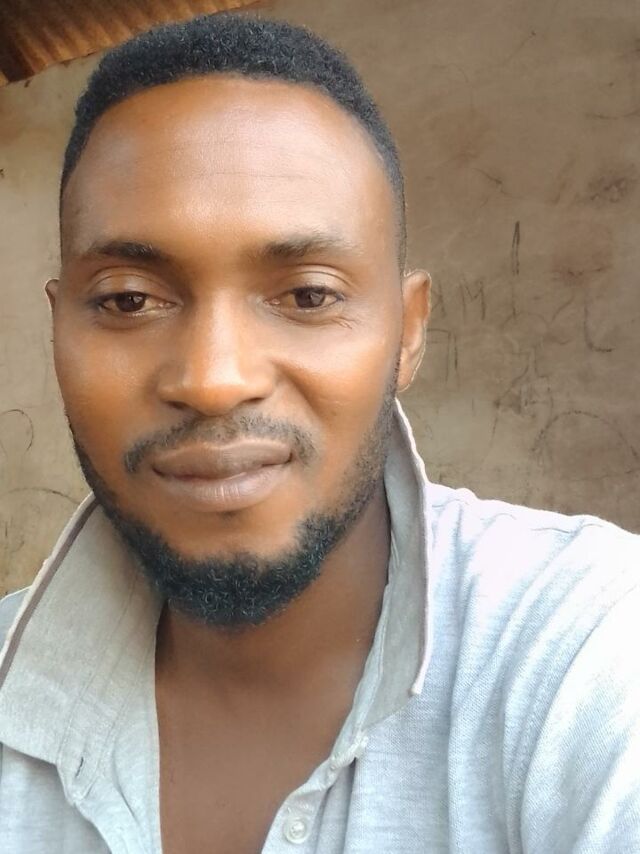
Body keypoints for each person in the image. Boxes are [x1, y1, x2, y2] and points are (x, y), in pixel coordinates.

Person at [0, 11, 638, 854]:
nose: (215, 378)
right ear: (58, 329)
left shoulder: (586, 650)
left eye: (307, 296)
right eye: (129, 299)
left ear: (407, 333)